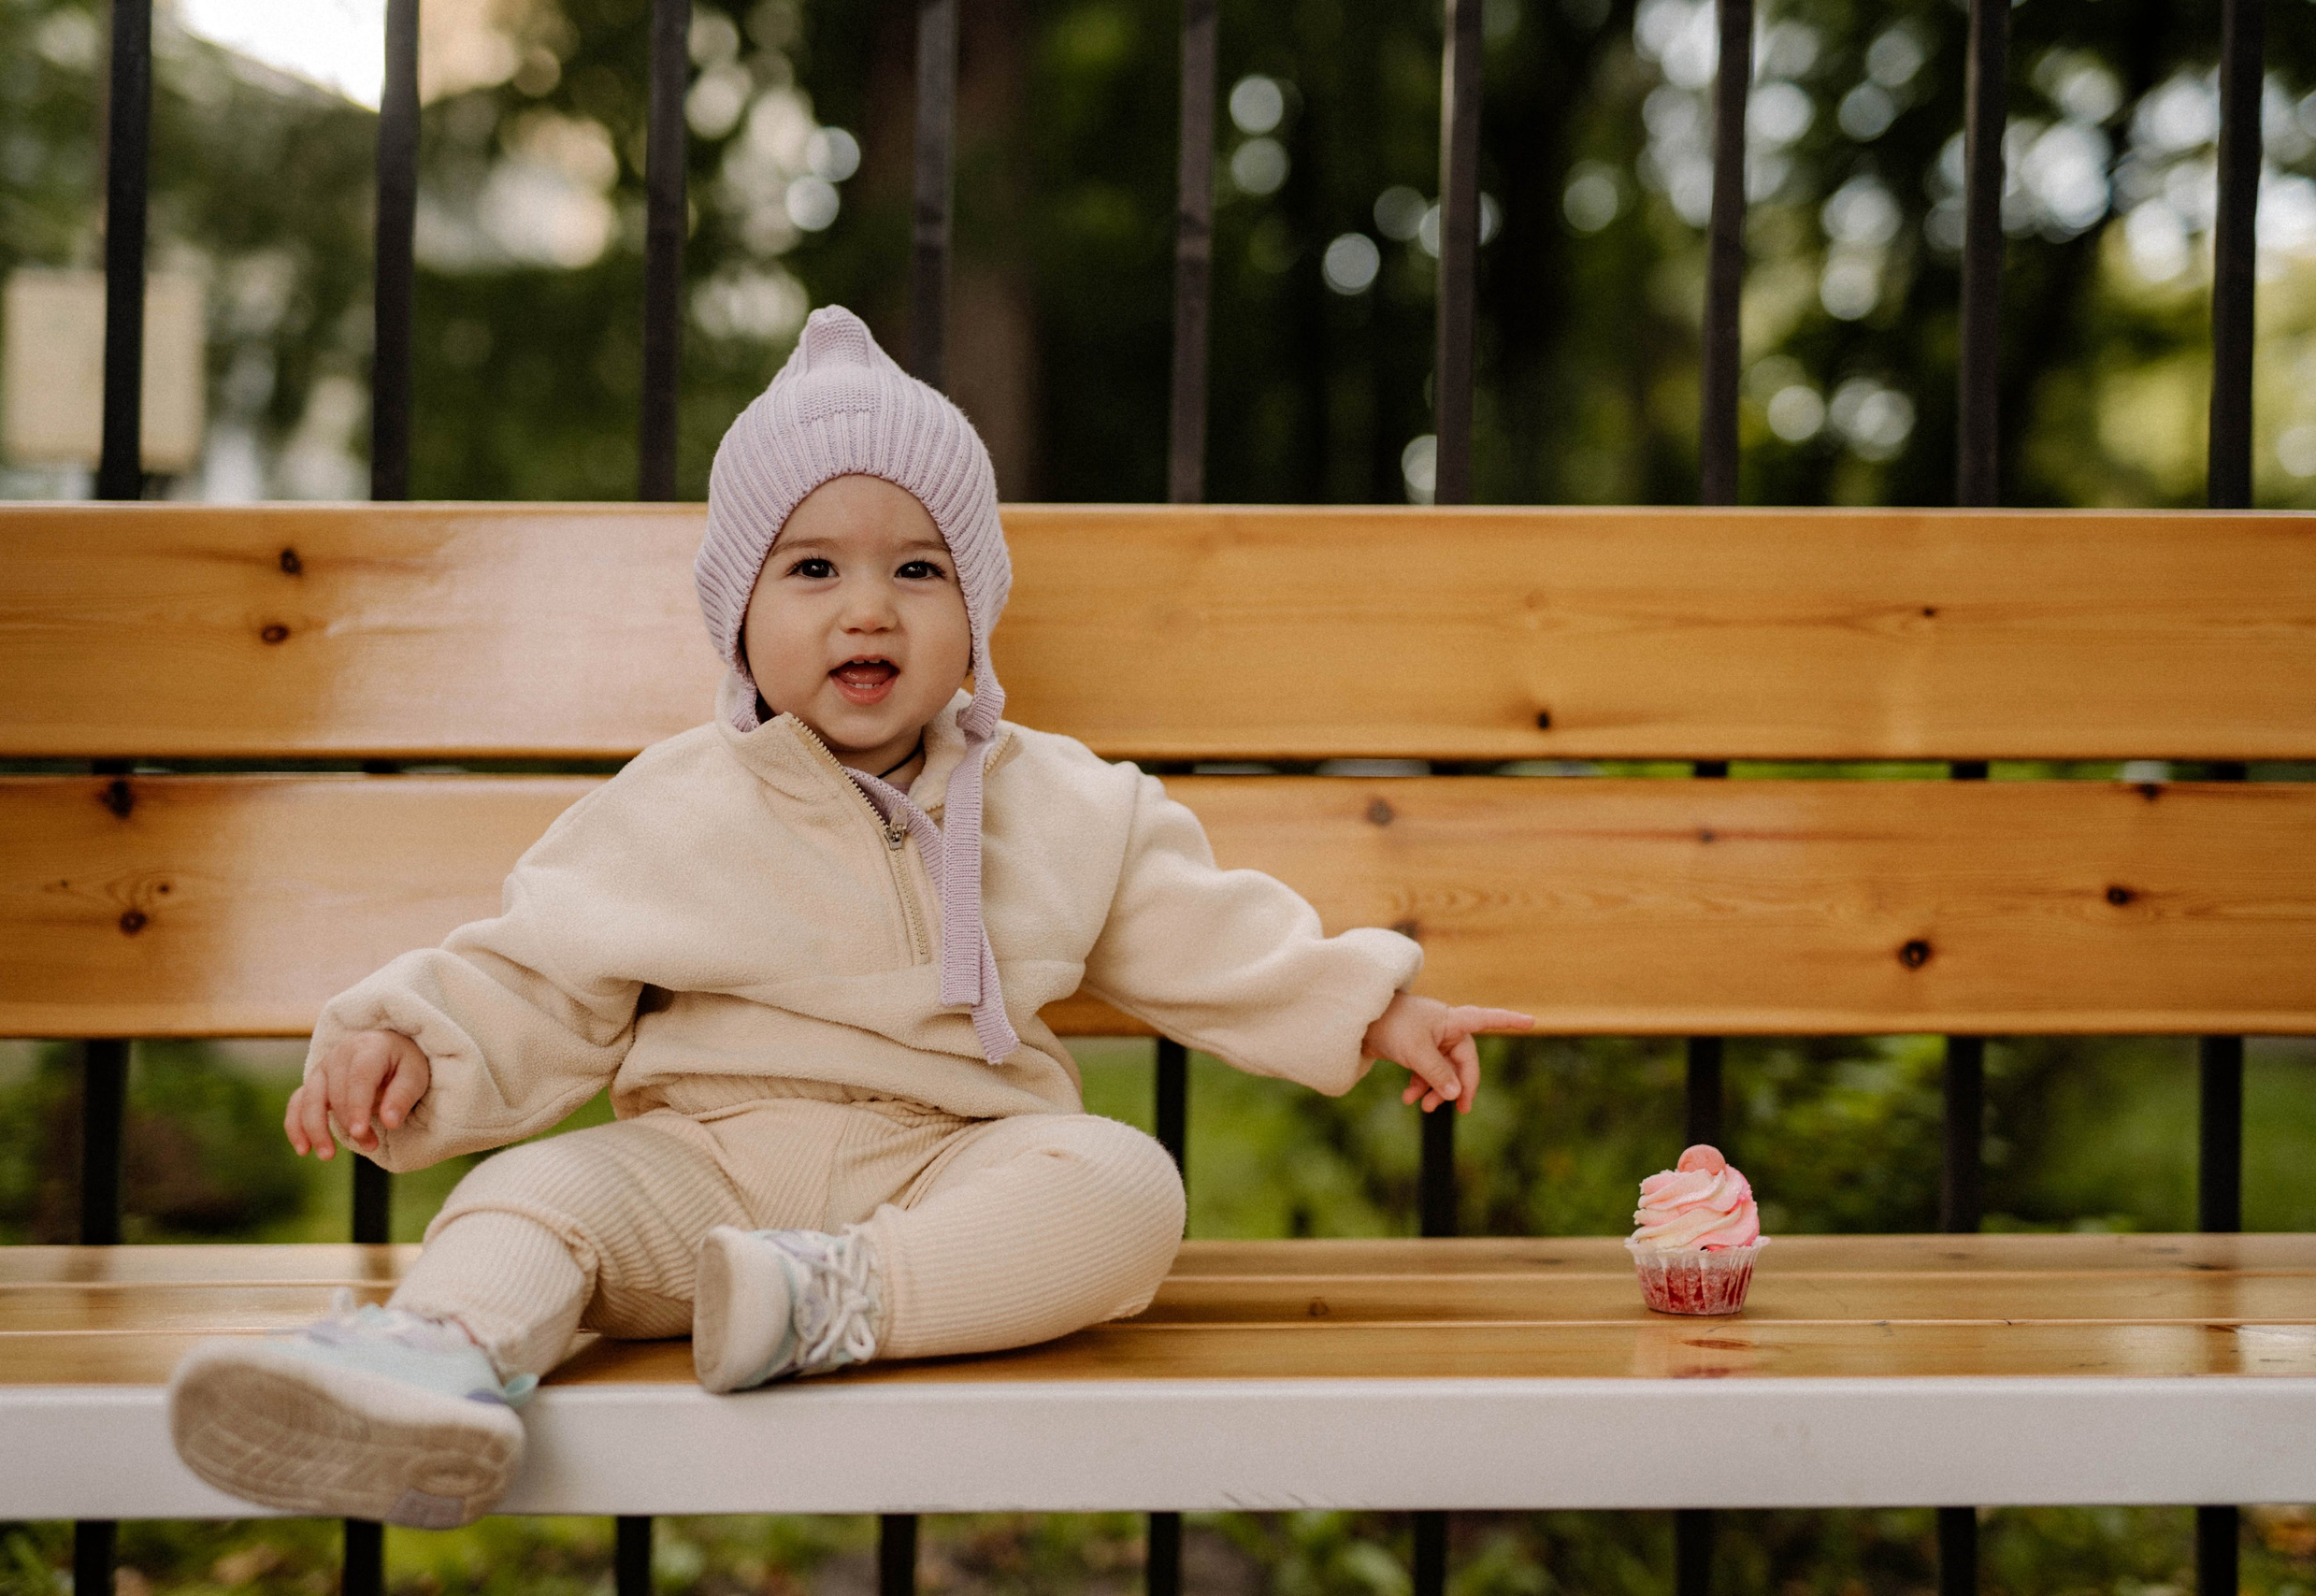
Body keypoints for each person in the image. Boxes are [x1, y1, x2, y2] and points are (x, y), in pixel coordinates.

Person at [165, 306, 1533, 1530]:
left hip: (950, 1165)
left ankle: (832, 1301)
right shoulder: (670, 806)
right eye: (810, 570)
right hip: (697, 1170)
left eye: (919, 571)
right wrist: (410, 1036)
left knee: (1125, 1187)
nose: (865, 606)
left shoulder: (1060, 802)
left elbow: (1205, 930)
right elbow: (532, 977)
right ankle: (434, 1363)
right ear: (740, 612)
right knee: (529, 1194)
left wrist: (1370, 1003)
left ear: (976, 609)